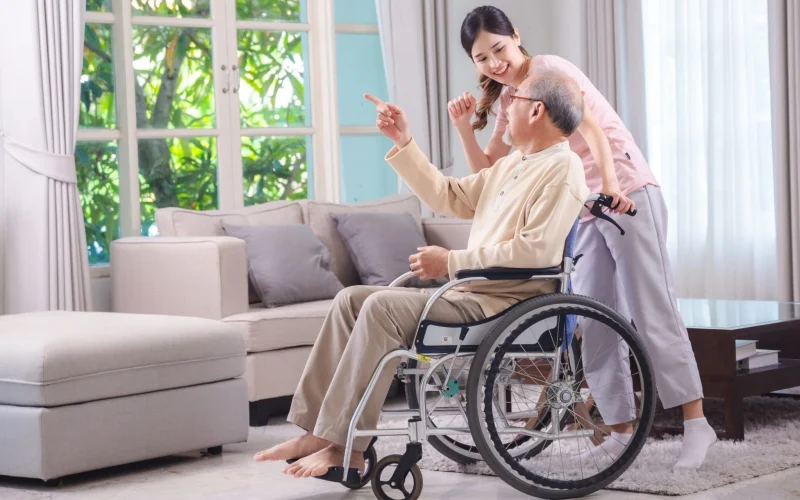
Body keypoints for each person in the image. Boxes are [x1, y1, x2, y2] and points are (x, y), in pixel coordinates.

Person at [253, 72, 590, 479]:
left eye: (512, 99)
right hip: (473, 294)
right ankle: (316, 431)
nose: (504, 107)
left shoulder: (563, 169)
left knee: (379, 307)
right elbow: (449, 195)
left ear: (536, 110)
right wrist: (404, 142)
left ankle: (347, 448)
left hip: (505, 303)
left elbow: (535, 251)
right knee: (350, 300)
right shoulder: (515, 163)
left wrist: (451, 262)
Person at [448, 5, 716, 471]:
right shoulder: (509, 101)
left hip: (627, 193)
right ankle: (619, 429)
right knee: (593, 321)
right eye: (481, 57)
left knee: (653, 310)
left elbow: (590, 128)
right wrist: (461, 129)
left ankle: (696, 424)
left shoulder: (549, 70)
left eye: (499, 48)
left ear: (516, 36)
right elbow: (488, 174)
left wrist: (610, 186)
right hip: (585, 209)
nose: (494, 62)